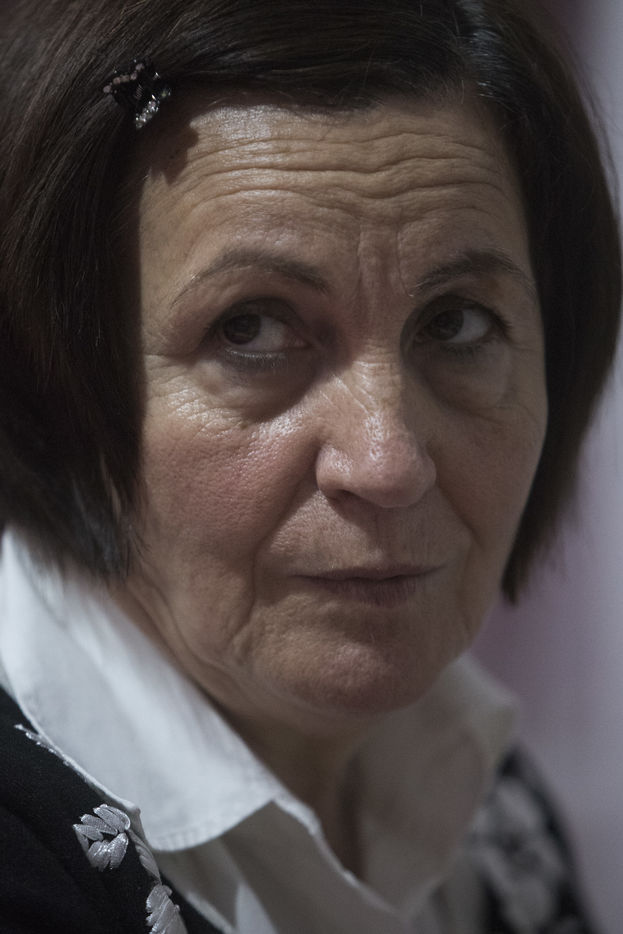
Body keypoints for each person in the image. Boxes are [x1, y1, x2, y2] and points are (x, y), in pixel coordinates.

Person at [0, 0, 619, 931]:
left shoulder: (476, 792)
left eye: (454, 322)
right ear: (53, 382)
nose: (388, 461)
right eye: (249, 329)